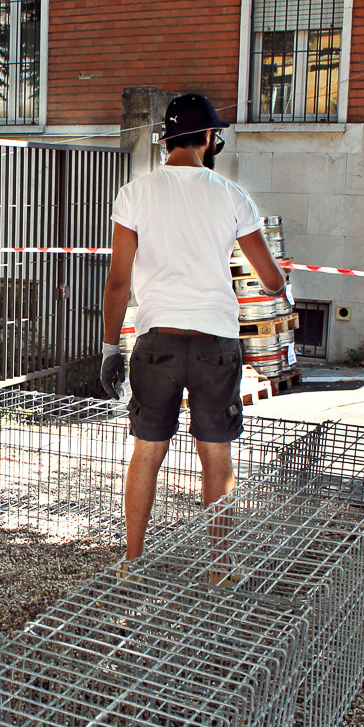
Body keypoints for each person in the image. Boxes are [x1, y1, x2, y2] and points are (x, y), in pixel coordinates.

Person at [101, 93, 287, 574]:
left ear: (166, 141)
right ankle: (222, 565)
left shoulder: (134, 193)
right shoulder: (232, 196)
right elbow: (271, 280)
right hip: (214, 343)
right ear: (209, 138)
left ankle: (132, 559)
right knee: (215, 454)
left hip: (156, 341)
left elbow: (119, 281)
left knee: (146, 452)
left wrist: (108, 348)